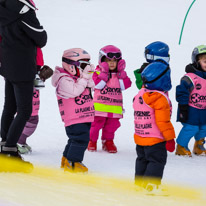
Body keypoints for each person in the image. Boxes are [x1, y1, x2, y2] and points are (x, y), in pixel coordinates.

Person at [0, 0, 47, 165]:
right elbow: (41, 38)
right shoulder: (24, 10)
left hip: (7, 65)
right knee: (25, 111)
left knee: (9, 107)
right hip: (23, 67)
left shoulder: (3, 7)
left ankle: (4, 145)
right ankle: (10, 151)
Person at [133, 62, 175, 195]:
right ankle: (151, 186)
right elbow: (163, 121)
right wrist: (170, 138)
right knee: (157, 161)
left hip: (140, 137)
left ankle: (139, 184)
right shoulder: (159, 98)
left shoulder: (140, 94)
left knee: (142, 159)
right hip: (155, 139)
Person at [52, 48, 95, 173]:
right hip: (74, 118)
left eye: (87, 64)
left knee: (75, 139)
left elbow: (92, 85)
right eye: (82, 65)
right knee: (80, 139)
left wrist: (88, 76)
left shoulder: (79, 77)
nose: (84, 68)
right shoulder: (64, 79)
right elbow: (74, 91)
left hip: (84, 115)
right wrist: (84, 78)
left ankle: (66, 159)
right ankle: (74, 162)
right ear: (71, 66)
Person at [88, 45, 132, 153]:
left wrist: (122, 74)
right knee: (95, 126)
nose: (112, 63)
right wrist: (104, 73)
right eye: (108, 60)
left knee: (111, 127)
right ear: (102, 60)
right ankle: (92, 141)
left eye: (115, 61)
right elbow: (98, 85)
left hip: (114, 107)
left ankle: (108, 141)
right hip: (99, 107)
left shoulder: (119, 74)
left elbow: (124, 86)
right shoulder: (97, 73)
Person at [17, 47, 53, 154]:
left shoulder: (35, 72)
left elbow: (38, 85)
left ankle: (21, 140)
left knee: (32, 122)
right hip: (25, 105)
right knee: (28, 122)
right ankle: (18, 141)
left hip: (34, 104)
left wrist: (42, 76)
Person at [176, 45, 206, 156]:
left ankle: (199, 146)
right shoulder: (190, 77)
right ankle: (181, 146)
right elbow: (181, 91)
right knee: (191, 128)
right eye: (205, 61)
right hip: (190, 108)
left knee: (204, 128)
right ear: (197, 62)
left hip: (203, 109)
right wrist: (183, 106)